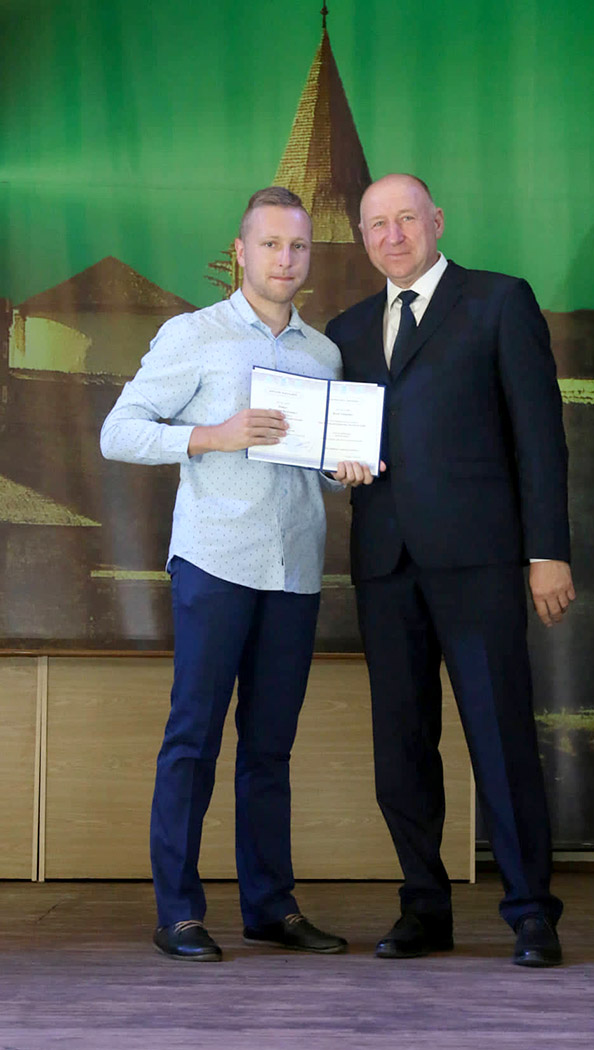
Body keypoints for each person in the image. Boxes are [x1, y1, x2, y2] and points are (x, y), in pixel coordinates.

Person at [101, 187, 377, 962]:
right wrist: (210, 435)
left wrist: (343, 470)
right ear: (241, 251)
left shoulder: (323, 354)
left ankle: (270, 906)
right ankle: (179, 913)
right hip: (215, 562)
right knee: (193, 738)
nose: (285, 259)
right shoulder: (194, 335)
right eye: (270, 244)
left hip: (294, 572)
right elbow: (118, 432)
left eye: (298, 246)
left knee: (269, 747)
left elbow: (319, 466)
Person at [326, 174, 575, 967]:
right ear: (363, 238)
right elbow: (341, 442)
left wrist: (548, 550)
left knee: (500, 735)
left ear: (436, 220)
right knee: (401, 746)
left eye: (406, 218)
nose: (392, 235)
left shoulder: (499, 301)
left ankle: (531, 911)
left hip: (479, 561)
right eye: (377, 224)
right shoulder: (347, 328)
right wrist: (335, 464)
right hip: (385, 564)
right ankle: (423, 905)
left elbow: (540, 437)